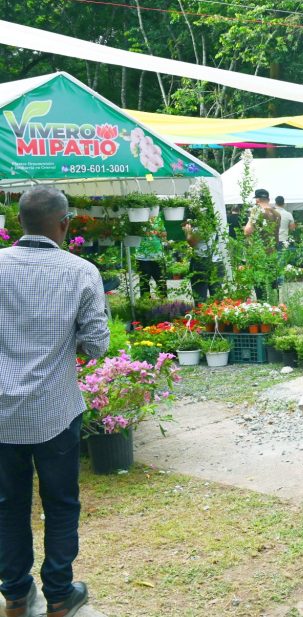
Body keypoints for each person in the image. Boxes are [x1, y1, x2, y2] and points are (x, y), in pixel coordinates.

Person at [0, 186, 109, 617]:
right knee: (61, 502)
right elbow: (97, 345)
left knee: (7, 503)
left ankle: (15, 593)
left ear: (17, 223)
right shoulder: (80, 271)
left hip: (1, 413)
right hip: (55, 409)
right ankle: (60, 595)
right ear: (64, 224)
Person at [135, 213, 166, 298]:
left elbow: (164, 234)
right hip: (142, 257)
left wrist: (158, 233)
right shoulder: (138, 220)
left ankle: (164, 304)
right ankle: (145, 304)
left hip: (158, 256)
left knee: (161, 282)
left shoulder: (158, 220)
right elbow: (135, 233)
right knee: (144, 282)